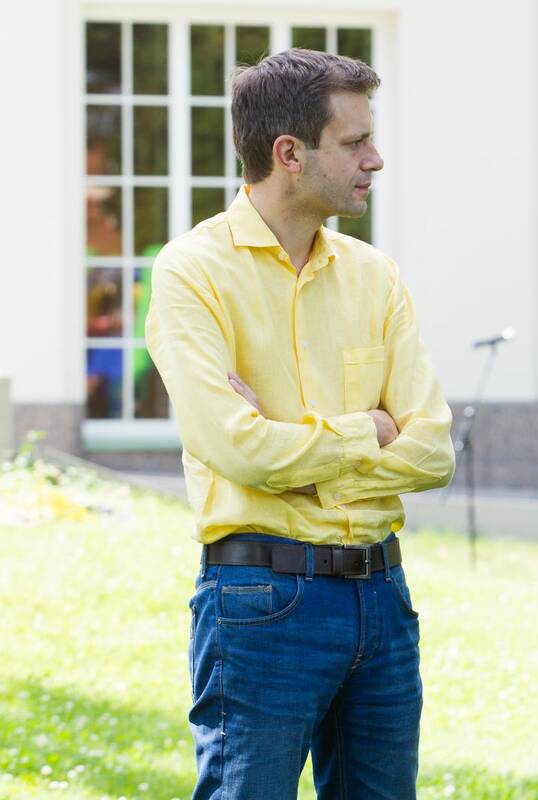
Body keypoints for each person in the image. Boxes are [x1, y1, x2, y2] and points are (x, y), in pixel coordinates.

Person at [145, 48, 454, 799]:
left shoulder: (375, 275)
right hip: (260, 600)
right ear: (290, 153)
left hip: (383, 598)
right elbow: (237, 449)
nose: (375, 159)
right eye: (355, 141)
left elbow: (434, 451)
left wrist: (296, 452)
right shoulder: (192, 272)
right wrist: (366, 430)